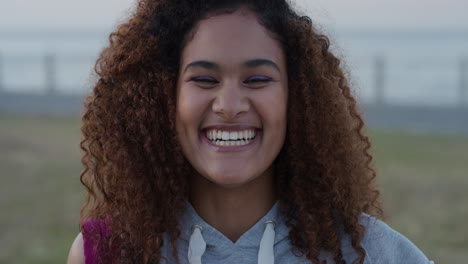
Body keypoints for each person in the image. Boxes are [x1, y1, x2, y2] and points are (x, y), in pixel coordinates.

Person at [67, 0, 435, 263]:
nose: (229, 105)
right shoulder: (107, 252)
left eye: (257, 79)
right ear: (163, 97)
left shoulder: (370, 253)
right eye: (204, 79)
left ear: (298, 98)